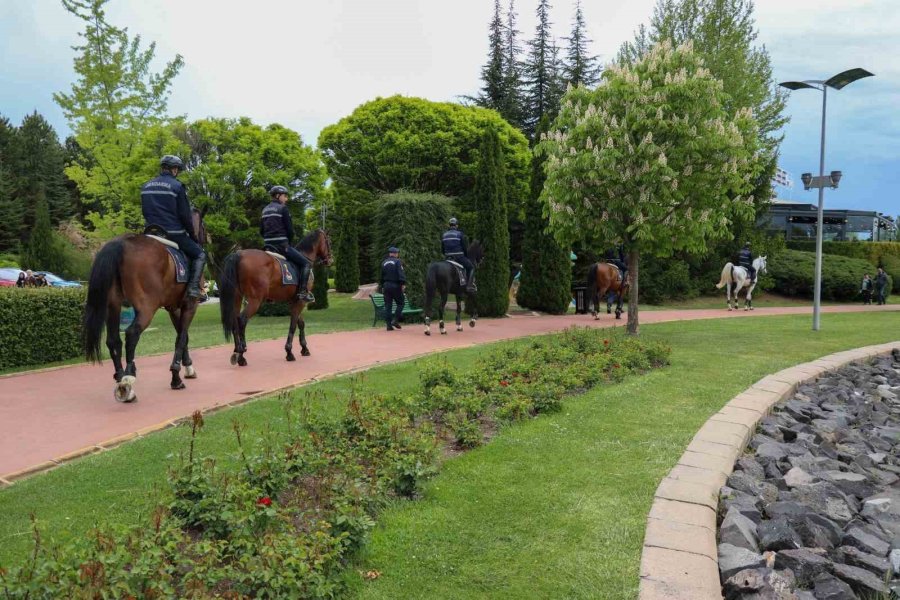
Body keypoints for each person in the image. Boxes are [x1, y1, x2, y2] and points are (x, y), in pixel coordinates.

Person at [141, 155, 206, 299]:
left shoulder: (145, 186)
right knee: (200, 254)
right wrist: (193, 236)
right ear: (174, 169)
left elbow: (145, 211)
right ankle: (193, 288)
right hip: (173, 233)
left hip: (150, 232)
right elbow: (185, 216)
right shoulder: (177, 186)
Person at [260, 185, 313, 303]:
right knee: (306, 264)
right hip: (281, 246)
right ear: (278, 196)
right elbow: (290, 230)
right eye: (285, 196)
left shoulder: (264, 210)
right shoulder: (283, 209)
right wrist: (289, 242)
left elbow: (261, 231)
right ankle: (303, 292)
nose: (286, 199)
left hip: (268, 246)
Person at [441, 217, 475, 292]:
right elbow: (464, 247)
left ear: (449, 225)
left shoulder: (444, 235)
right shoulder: (460, 234)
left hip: (448, 258)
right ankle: (469, 286)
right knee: (471, 267)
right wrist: (466, 256)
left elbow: (442, 250)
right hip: (459, 257)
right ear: (456, 225)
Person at [380, 246, 406, 331]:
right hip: (395, 285)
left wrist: (382, 286)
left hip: (386, 285)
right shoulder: (398, 262)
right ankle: (395, 320)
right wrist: (403, 284)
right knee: (401, 303)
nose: (397, 254)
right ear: (395, 254)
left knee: (388, 306)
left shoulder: (384, 262)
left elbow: (381, 276)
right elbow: (400, 274)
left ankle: (388, 326)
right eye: (397, 253)